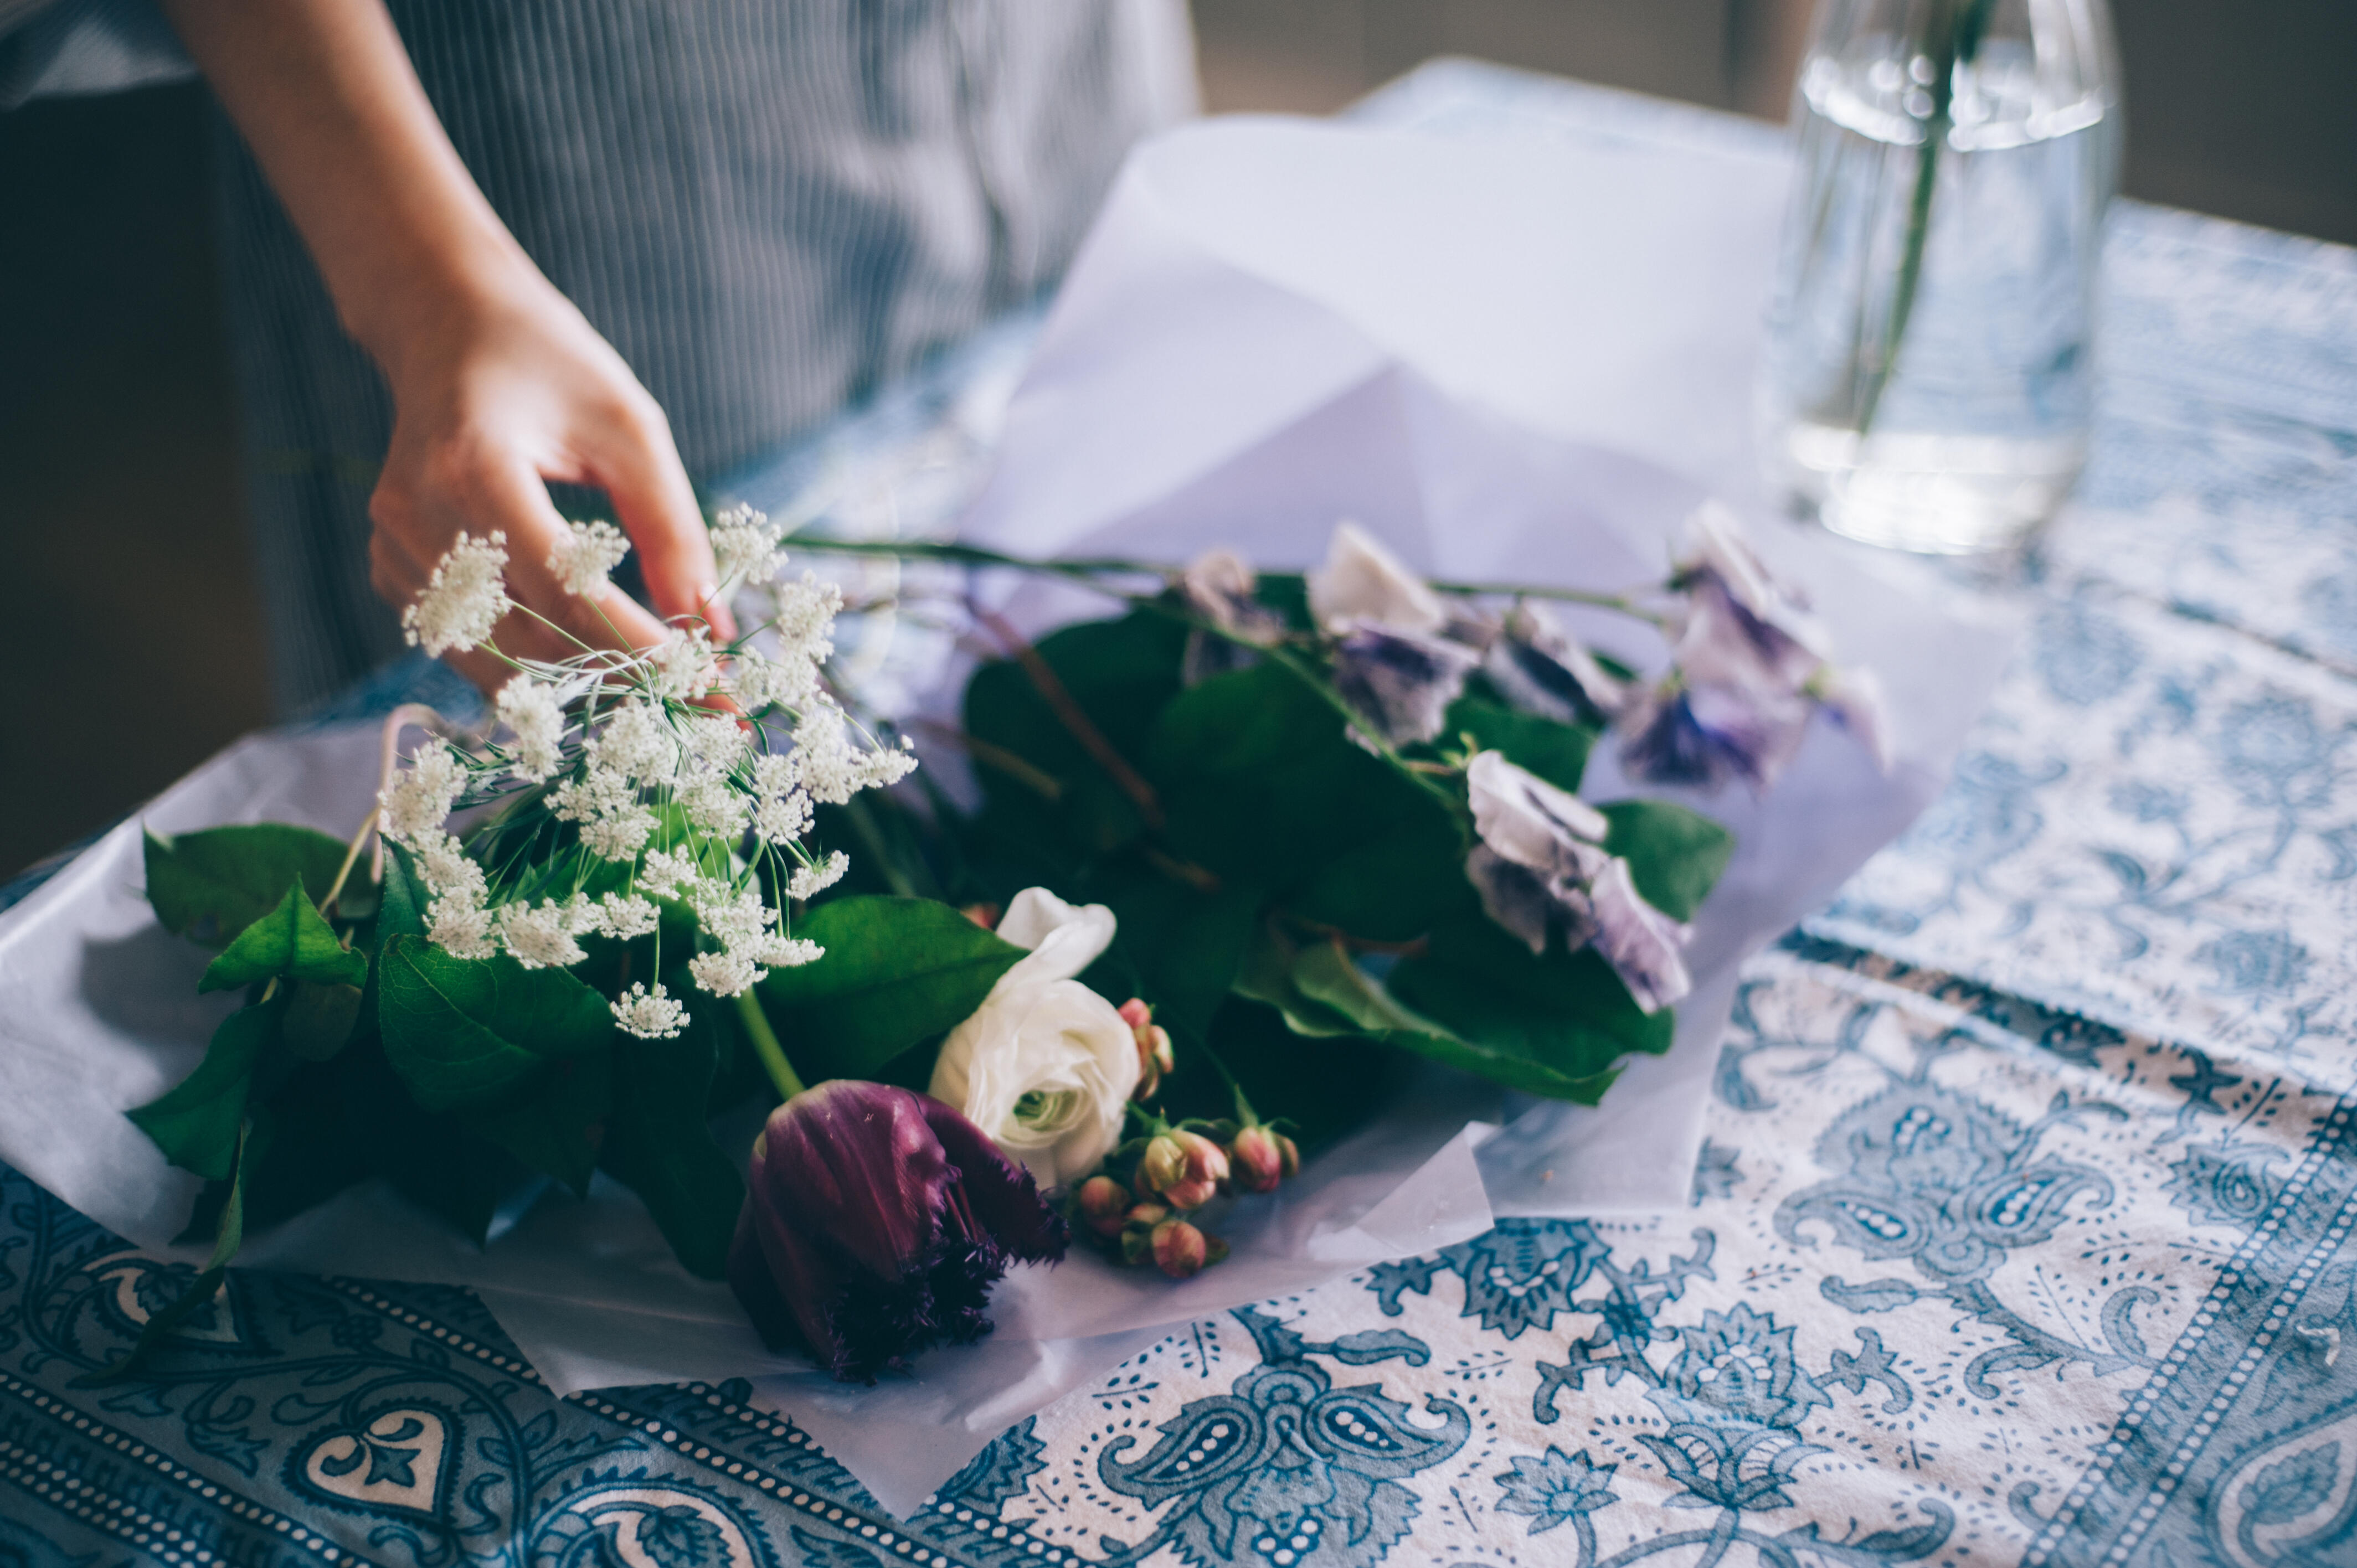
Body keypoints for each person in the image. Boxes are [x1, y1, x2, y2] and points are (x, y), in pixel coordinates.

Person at [2, 0, 1194, 706]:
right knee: (589, 684)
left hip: (1059, 70)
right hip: (589, 158)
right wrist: (428, 286)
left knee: (1130, 563)